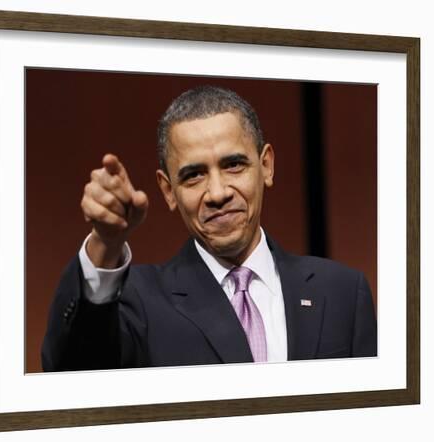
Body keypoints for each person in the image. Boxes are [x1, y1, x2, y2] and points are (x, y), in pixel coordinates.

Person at [41, 85, 377, 371]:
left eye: (233, 165)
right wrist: (106, 242)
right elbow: (70, 370)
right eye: (193, 175)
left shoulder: (343, 292)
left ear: (266, 166)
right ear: (168, 191)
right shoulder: (136, 302)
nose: (217, 193)